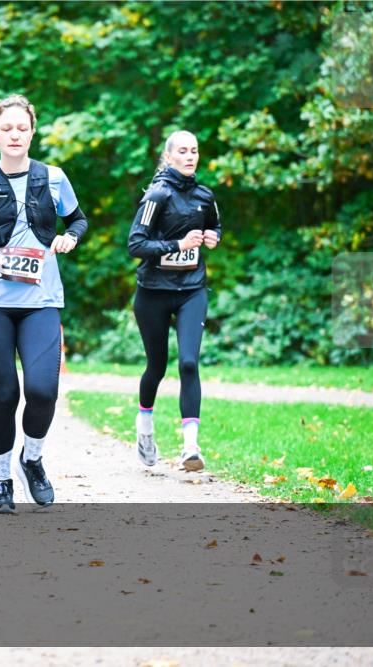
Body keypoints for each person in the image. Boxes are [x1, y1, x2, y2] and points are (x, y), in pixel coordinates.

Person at [0, 95, 88, 513]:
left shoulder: (55, 178)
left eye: (21, 128)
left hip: (41, 301)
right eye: (6, 128)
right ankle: (0, 479)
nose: (14, 134)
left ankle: (32, 459)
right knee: (5, 393)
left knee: (43, 390)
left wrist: (71, 236)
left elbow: (78, 219)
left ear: (32, 131)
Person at [127, 130, 221, 472]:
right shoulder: (157, 195)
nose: (190, 156)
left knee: (189, 363)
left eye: (194, 150)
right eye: (183, 151)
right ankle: (145, 428)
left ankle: (190, 447)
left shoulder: (204, 195)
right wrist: (177, 246)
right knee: (157, 366)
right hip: (153, 292)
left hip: (192, 289)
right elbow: (136, 245)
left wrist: (212, 237)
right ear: (169, 157)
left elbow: (216, 226)